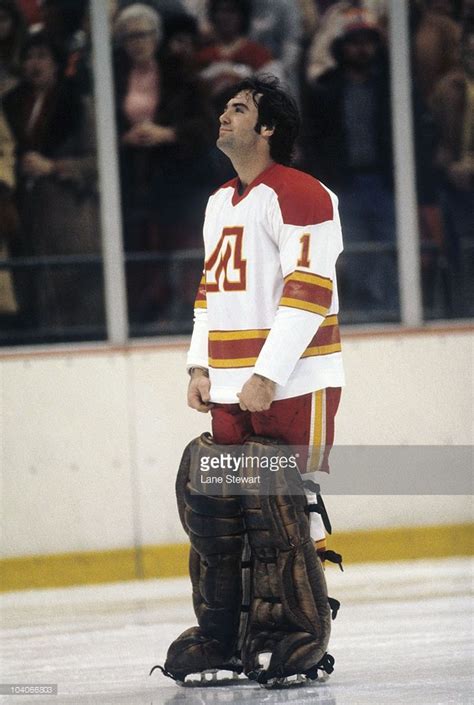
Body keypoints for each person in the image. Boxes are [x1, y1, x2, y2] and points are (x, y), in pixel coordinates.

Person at [158, 76, 344, 686]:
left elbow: (309, 294)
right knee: (218, 504)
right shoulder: (219, 202)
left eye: (238, 109)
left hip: (296, 382)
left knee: (280, 508)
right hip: (234, 387)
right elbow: (209, 292)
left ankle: (299, 633)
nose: (224, 116)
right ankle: (230, 637)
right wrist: (199, 364)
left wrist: (268, 373)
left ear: (267, 129)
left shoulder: (303, 194)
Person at [113, 2, 215, 325]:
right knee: (141, 253)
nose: (137, 42)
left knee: (180, 247)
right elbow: (100, 125)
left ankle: (188, 312)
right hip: (131, 178)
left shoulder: (180, 75)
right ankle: (146, 313)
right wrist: (121, 139)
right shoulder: (112, 77)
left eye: (143, 34)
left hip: (175, 177)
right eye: (130, 36)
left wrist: (168, 133)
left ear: (156, 37)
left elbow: (206, 126)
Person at [3, 30, 103, 337]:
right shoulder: (11, 104)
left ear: (57, 63)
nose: (35, 64)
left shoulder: (76, 104)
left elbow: (99, 161)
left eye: (42, 57)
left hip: (67, 211)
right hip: (24, 213)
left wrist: (54, 166)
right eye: (30, 57)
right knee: (31, 289)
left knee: (73, 290)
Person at [303, 11, 398, 317]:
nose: (361, 50)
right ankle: (360, 309)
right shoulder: (325, 89)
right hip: (343, 184)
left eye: (367, 43)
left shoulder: (392, 88)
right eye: (354, 43)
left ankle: (393, 308)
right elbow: (314, 141)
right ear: (342, 47)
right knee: (353, 251)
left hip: (385, 183)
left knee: (391, 247)